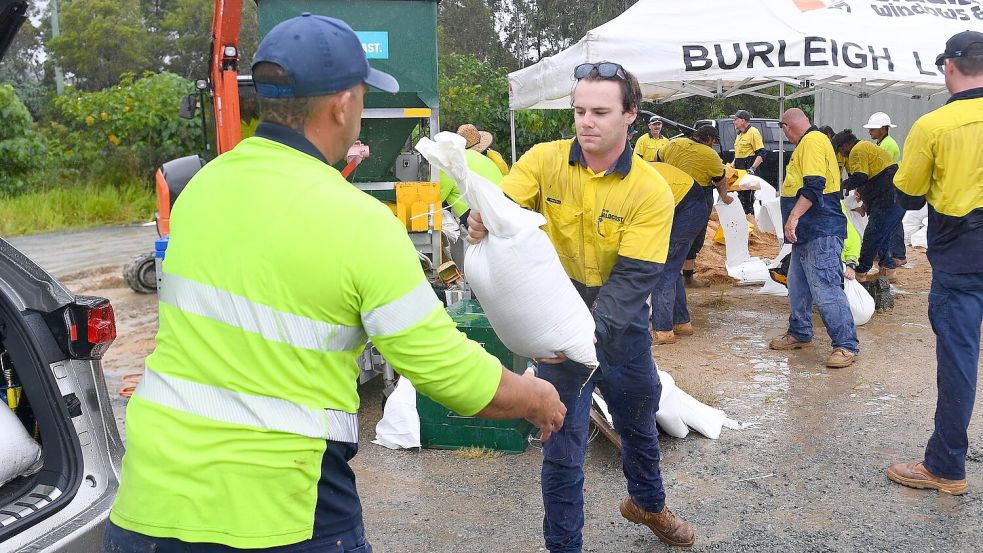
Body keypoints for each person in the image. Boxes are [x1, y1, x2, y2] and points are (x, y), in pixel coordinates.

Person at [102, 14, 566, 553]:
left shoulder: (202, 189)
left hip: (148, 508)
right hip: (281, 511)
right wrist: (536, 397)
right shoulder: (360, 224)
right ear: (342, 105)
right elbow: (448, 373)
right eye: (364, 93)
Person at [468, 61, 694, 550]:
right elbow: (500, 205)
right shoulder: (544, 160)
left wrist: (586, 336)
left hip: (622, 318)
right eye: (578, 111)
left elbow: (636, 277)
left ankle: (648, 504)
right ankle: (563, 545)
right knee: (561, 442)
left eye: (600, 112)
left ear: (631, 114)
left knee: (637, 415)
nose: (586, 122)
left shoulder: (650, 189)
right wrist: (479, 215)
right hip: (557, 308)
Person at [887, 30, 983, 496]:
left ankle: (946, 466)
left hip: (963, 257)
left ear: (949, 67)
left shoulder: (934, 126)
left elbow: (907, 194)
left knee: (960, 360)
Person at [768, 108, 860, 369]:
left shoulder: (811, 142)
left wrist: (793, 216)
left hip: (820, 229)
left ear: (786, 127)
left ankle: (846, 345)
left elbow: (814, 185)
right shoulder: (812, 142)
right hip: (807, 233)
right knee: (798, 286)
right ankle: (800, 332)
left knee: (825, 289)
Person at [657, 124, 731, 288]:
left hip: (669, 194)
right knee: (693, 237)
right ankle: (687, 278)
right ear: (709, 139)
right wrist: (725, 196)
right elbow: (720, 180)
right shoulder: (710, 154)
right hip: (696, 197)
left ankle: (662, 271)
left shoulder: (672, 144)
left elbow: (657, 160)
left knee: (666, 232)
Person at [648, 162, 711, 345]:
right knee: (671, 268)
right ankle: (681, 323)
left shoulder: (632, 181)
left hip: (688, 207)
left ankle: (663, 330)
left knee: (664, 268)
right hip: (685, 203)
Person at [831, 130, 904, 282]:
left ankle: (861, 271)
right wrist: (865, 204)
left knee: (872, 234)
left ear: (846, 145)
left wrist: (840, 185)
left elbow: (861, 177)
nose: (841, 154)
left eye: (839, 150)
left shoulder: (857, 150)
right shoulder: (866, 147)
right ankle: (888, 269)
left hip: (888, 196)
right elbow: (871, 178)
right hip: (894, 194)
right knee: (882, 235)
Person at [443, 124, 505, 226]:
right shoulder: (492, 157)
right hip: (500, 203)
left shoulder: (456, 161)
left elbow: (438, 195)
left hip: (480, 212)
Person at [732, 110, 767, 214]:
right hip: (739, 169)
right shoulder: (739, 134)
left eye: (736, 120)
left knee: (748, 200)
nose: (734, 122)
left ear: (743, 120)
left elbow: (762, 153)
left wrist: (752, 168)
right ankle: (743, 223)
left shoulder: (753, 132)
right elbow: (738, 152)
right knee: (740, 198)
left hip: (749, 169)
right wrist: (733, 162)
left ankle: (751, 225)